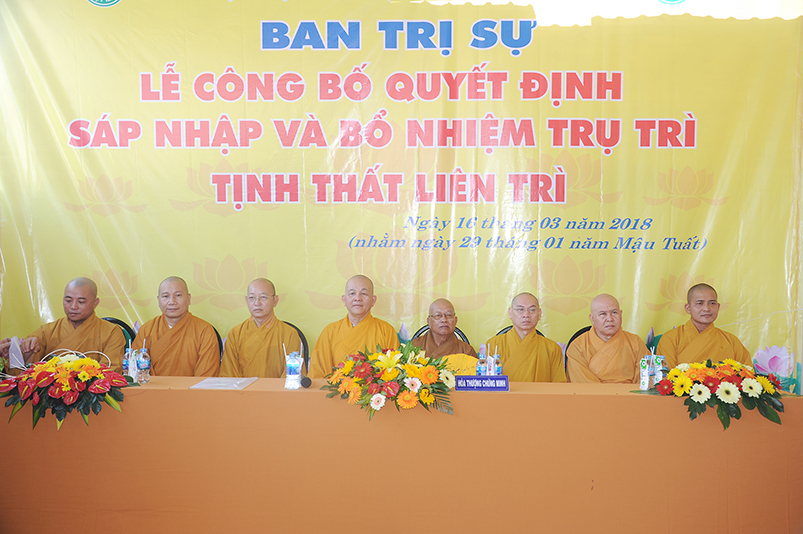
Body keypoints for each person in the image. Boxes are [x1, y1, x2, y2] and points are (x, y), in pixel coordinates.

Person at [0, 277, 125, 371]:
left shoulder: (111, 332)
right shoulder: (47, 331)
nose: (73, 306)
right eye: (68, 300)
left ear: (95, 303)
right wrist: (24, 353)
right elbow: (23, 371)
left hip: (91, 394)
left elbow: (110, 370)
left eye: (81, 302)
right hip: (50, 394)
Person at [309, 275, 397, 378]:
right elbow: (317, 374)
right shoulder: (330, 331)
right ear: (344, 299)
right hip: (334, 387)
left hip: (372, 388)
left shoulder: (386, 331)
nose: (357, 298)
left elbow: (394, 373)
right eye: (352, 293)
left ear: (373, 300)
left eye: (363, 294)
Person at [132, 276, 219, 377]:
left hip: (191, 388)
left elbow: (206, 376)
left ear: (188, 299)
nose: (172, 302)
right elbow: (136, 370)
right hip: (152, 387)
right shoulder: (147, 330)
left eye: (178, 295)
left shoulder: (204, 331)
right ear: (158, 300)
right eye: (165, 296)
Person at [219, 278, 302, 378]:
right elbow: (229, 374)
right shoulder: (235, 333)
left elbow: (292, 376)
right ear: (246, 300)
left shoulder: (289, 334)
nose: (257, 303)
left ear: (275, 300)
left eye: (263, 297)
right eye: (252, 297)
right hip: (242, 388)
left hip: (277, 388)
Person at [656, 283, 751, 368]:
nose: (706, 308)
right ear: (688, 308)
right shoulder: (671, 339)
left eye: (712, 303)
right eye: (699, 303)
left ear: (718, 307)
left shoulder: (731, 341)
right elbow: (666, 376)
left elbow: (747, 374)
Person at [566, 294, 648, 383]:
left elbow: (645, 379)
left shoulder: (636, 342)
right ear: (592, 318)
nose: (609, 319)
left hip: (629, 392)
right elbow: (583, 384)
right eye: (603, 314)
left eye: (614, 312)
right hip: (593, 392)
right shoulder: (577, 347)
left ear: (621, 314)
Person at [485, 293, 566, 382]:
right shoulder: (493, 345)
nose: (526, 314)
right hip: (506, 392)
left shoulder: (552, 349)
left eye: (532, 310)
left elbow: (558, 386)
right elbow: (487, 382)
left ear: (539, 314)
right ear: (510, 313)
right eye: (520, 309)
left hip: (539, 392)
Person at [412, 298, 477, 374]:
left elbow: (475, 378)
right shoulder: (415, 345)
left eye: (449, 315)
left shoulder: (466, 350)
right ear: (429, 321)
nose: (444, 320)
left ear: (455, 320)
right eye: (438, 315)